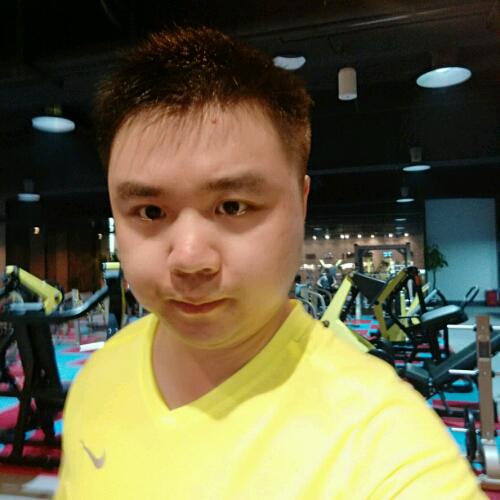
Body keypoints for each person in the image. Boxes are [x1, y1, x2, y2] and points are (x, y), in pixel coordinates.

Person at [55, 26, 485, 499]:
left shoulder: (387, 446)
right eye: (151, 212)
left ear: (301, 202)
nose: (190, 260)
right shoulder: (97, 379)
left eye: (233, 206)